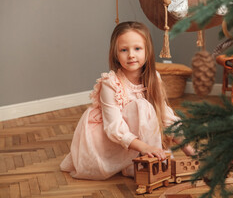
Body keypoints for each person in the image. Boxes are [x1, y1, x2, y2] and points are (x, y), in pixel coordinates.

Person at [60, 21, 195, 180]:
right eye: (124, 50)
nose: (131, 55)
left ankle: (152, 158)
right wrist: (144, 147)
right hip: (111, 138)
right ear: (115, 54)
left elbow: (165, 115)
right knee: (142, 105)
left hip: (136, 136)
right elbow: (114, 127)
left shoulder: (153, 78)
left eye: (137, 49)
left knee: (152, 109)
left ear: (147, 51)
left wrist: (189, 150)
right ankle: (134, 161)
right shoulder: (110, 84)